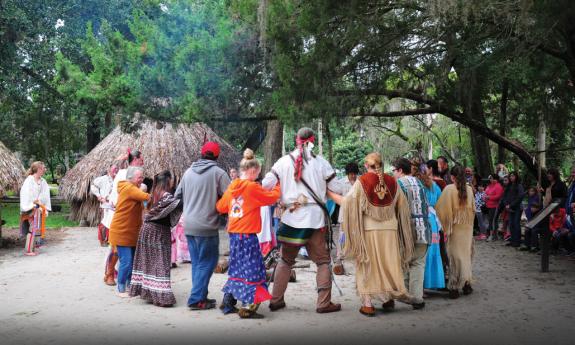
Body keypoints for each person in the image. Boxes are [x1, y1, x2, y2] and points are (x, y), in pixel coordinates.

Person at [261, 127, 344, 314]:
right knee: (323, 261)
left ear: (296, 140)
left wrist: (279, 196)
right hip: (315, 220)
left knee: (285, 260)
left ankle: (276, 300)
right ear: (312, 141)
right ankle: (323, 303)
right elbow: (337, 188)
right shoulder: (321, 163)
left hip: (291, 218)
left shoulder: (282, 162)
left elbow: (266, 184)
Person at [329, 153, 415, 316]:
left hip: (369, 230)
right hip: (390, 230)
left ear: (366, 166)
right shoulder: (392, 182)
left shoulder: (362, 181)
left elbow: (348, 203)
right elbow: (402, 206)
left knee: (368, 264)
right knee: (388, 263)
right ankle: (387, 298)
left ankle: (368, 304)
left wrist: (329, 194)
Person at [216, 149, 281, 319]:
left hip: (234, 236)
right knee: (255, 270)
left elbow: (221, 207)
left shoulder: (232, 187)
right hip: (248, 235)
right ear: (252, 171)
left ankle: (228, 301)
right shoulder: (252, 187)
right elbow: (271, 197)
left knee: (237, 267)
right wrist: (279, 185)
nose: (258, 176)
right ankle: (248, 307)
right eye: (258, 172)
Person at [175, 141, 231, 310]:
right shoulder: (219, 173)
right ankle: (195, 298)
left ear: (201, 154)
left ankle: (201, 297)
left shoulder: (188, 172)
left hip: (189, 225)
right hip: (207, 226)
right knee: (208, 262)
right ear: (217, 155)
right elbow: (230, 197)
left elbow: (178, 195)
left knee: (199, 262)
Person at [129, 171, 182, 307]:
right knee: (161, 262)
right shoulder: (168, 197)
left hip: (146, 230)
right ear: (167, 181)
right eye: (171, 180)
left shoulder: (153, 194)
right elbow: (178, 204)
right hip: (158, 232)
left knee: (149, 262)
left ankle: (149, 293)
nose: (172, 182)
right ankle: (162, 297)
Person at [392, 157, 430, 309]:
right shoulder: (419, 183)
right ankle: (417, 299)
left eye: (394, 170)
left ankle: (403, 293)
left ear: (400, 170)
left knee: (402, 262)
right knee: (418, 264)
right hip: (424, 228)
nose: (393, 173)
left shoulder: (398, 185)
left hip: (406, 229)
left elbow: (393, 208)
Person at [103, 149, 145, 286]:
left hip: (131, 216)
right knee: (115, 248)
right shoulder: (123, 174)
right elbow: (117, 192)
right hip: (119, 214)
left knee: (128, 250)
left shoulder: (137, 174)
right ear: (135, 159)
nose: (143, 161)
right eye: (141, 159)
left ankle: (127, 279)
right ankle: (109, 274)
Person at [108, 166, 151, 297]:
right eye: (139, 177)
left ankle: (129, 286)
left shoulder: (131, 188)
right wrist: (162, 195)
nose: (141, 180)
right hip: (122, 231)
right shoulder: (129, 188)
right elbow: (147, 197)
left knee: (131, 261)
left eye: (142, 177)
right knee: (126, 261)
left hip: (130, 232)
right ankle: (121, 289)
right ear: (131, 178)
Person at [435, 165, 474, 299]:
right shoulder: (469, 189)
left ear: (452, 177)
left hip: (455, 229)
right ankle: (466, 284)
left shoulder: (449, 189)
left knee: (454, 257)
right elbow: (473, 210)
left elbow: (441, 209)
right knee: (465, 255)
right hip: (467, 228)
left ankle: (454, 287)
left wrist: (446, 226)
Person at [413, 161, 445, 291]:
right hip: (433, 221)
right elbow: (440, 202)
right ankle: (435, 282)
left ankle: (422, 285)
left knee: (422, 253)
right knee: (434, 251)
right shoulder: (435, 186)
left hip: (421, 220)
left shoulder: (417, 185)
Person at [333, 162, 360, 275]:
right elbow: (335, 195)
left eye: (354, 174)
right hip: (344, 215)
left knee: (357, 235)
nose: (353, 176)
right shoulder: (341, 183)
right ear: (347, 173)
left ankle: (357, 256)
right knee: (343, 236)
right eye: (351, 174)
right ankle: (340, 256)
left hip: (357, 215)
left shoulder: (360, 182)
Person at [20, 161, 52, 256]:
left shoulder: (43, 182)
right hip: (29, 208)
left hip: (39, 207)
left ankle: (32, 248)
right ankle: (29, 250)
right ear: (38, 169)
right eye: (43, 168)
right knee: (33, 226)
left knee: (35, 226)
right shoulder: (29, 181)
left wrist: (39, 202)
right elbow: (26, 194)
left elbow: (45, 194)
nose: (45, 170)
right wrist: (33, 204)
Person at [90, 163, 119, 246]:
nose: (116, 170)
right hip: (105, 204)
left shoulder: (118, 179)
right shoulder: (103, 179)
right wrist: (99, 196)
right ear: (109, 170)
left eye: (117, 169)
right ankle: (103, 241)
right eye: (114, 168)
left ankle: (112, 239)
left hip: (115, 205)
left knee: (113, 222)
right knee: (104, 222)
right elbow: (93, 186)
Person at [502, 172, 525, 247]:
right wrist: (506, 205)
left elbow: (520, 197)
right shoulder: (509, 186)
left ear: (516, 177)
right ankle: (513, 240)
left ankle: (517, 241)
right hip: (509, 208)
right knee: (511, 224)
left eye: (513, 176)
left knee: (516, 224)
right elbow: (505, 196)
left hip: (517, 208)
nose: (511, 177)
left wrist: (511, 205)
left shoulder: (519, 186)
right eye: (510, 176)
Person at [521, 187, 542, 252]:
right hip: (530, 219)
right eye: (530, 191)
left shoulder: (537, 198)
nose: (531, 192)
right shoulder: (530, 198)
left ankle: (534, 246)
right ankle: (527, 245)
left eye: (532, 191)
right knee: (527, 229)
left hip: (536, 220)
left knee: (533, 230)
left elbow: (536, 208)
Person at [485, 174, 504, 242]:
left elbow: (498, 196)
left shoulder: (498, 186)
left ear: (496, 179)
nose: (490, 180)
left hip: (495, 206)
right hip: (488, 205)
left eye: (492, 178)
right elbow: (486, 192)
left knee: (493, 220)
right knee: (490, 220)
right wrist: (484, 197)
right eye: (490, 178)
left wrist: (489, 197)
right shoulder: (489, 185)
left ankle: (492, 235)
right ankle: (493, 235)